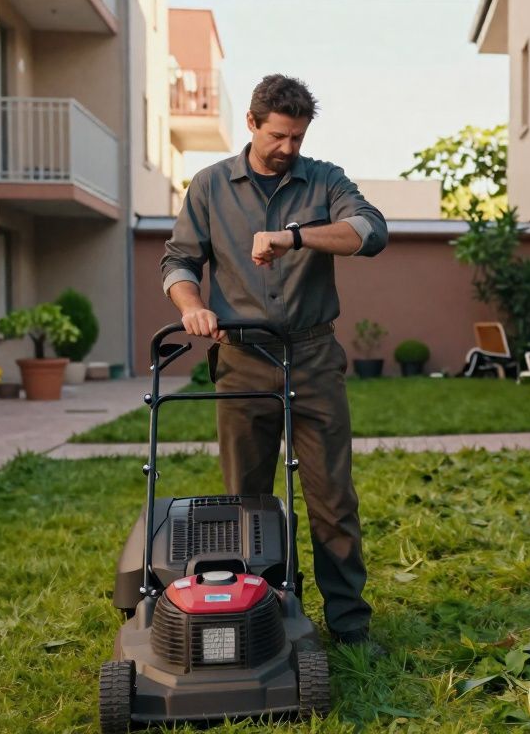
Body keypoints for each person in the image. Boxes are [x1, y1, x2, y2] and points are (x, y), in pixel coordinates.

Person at [160, 74, 387, 649]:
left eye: (298, 138)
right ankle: (259, 615)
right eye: (279, 136)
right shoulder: (209, 186)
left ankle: (350, 625)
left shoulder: (325, 180)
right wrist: (192, 307)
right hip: (241, 358)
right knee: (246, 501)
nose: (289, 148)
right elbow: (180, 261)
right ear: (253, 124)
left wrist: (294, 237)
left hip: (312, 356)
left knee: (333, 497)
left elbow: (371, 231)